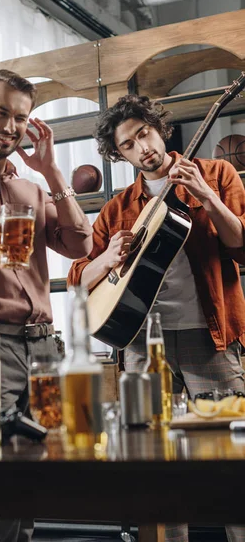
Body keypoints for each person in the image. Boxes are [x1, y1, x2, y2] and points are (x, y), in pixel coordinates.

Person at [68, 94, 245, 542]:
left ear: (158, 128)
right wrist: (107, 257)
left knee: (229, 460)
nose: (141, 148)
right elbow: (78, 278)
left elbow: (241, 244)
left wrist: (205, 195)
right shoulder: (116, 208)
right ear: (119, 154)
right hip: (142, 346)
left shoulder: (217, 173)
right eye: (127, 145)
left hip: (211, 337)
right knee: (157, 464)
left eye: (143, 134)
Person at [0, 69, 93, 542]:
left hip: (44, 348)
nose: (9, 126)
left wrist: (51, 172)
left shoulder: (32, 189)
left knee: (35, 480)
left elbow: (80, 245)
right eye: (0, 113)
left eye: (20, 118)